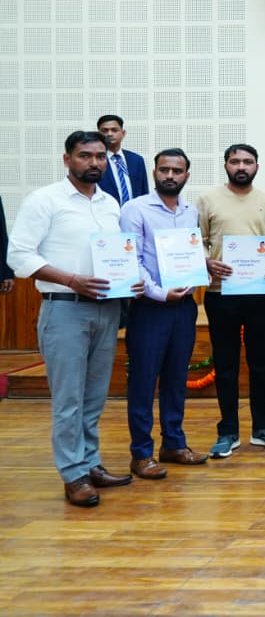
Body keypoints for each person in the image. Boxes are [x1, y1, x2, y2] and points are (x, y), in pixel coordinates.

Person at [7, 130, 142, 507]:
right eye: (85, 155)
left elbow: (117, 254)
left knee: (94, 395)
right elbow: (18, 256)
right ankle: (73, 474)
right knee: (68, 398)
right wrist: (71, 280)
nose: (94, 162)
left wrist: (129, 280)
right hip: (65, 307)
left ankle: (91, 462)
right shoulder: (44, 200)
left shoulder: (110, 203)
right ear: (67, 159)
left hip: (108, 308)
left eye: (100, 156)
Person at [119, 148, 209, 479]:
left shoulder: (189, 211)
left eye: (177, 171)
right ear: (155, 172)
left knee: (175, 378)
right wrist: (159, 292)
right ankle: (141, 453)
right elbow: (132, 259)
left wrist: (196, 278)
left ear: (187, 175)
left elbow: (191, 254)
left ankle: (173, 443)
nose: (170, 176)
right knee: (143, 382)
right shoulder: (135, 209)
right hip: (150, 308)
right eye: (164, 170)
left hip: (183, 307)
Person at [197, 144, 265, 458]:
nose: (241, 166)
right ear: (226, 165)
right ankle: (228, 431)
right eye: (235, 161)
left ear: (257, 166)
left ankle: (264, 428)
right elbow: (197, 242)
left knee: (262, 363)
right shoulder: (208, 199)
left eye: (248, 162)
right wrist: (207, 262)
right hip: (221, 293)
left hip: (261, 291)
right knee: (226, 364)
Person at [95, 114, 149, 204]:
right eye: (105, 131)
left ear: (123, 133)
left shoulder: (137, 160)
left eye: (114, 130)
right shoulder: (94, 161)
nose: (109, 134)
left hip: (134, 212)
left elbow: (144, 192)